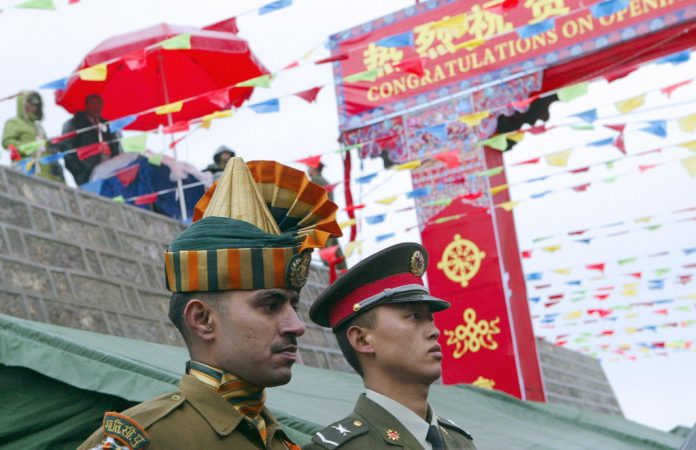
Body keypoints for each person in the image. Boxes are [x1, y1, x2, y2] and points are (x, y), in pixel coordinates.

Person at [78, 157, 342, 450]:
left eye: (294, 305)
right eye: (270, 305)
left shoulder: (280, 442)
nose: (297, 325)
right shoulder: (147, 441)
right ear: (202, 320)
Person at [303, 243, 476, 450]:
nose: (434, 331)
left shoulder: (461, 442)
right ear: (362, 340)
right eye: (414, 316)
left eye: (430, 318)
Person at [2, 91, 64, 183]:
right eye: (31, 104)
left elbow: (44, 148)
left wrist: (51, 145)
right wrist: (29, 147)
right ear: (23, 104)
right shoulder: (14, 122)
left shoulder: (38, 127)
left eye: (37, 105)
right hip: (26, 170)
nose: (34, 107)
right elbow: (7, 143)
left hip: (45, 173)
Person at [62, 94, 122, 185]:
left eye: (99, 105)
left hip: (110, 173)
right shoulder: (75, 124)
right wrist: (81, 173)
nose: (96, 108)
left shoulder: (107, 125)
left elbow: (116, 147)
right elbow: (68, 150)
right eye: (93, 104)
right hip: (87, 175)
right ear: (86, 105)